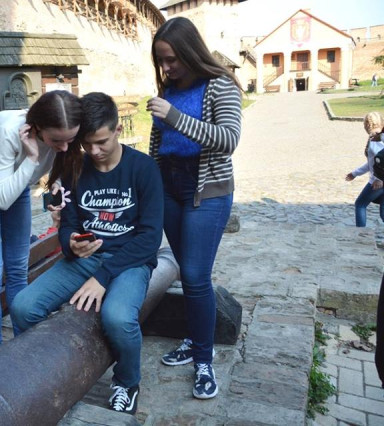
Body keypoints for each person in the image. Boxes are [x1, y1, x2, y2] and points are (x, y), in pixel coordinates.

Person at [11, 92, 163, 415]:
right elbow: (68, 223)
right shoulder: (75, 168)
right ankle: (47, 374)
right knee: (23, 307)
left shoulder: (144, 169)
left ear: (117, 130)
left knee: (118, 317)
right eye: (87, 144)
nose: (93, 151)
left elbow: (150, 239)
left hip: (129, 262)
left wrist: (103, 277)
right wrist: (70, 243)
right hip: (84, 260)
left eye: (101, 142)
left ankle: (127, 382)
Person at [146, 16, 242, 400]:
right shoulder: (168, 88)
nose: (166, 67)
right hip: (169, 188)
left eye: (171, 59)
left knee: (197, 275)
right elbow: (158, 143)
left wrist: (174, 116)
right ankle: (196, 337)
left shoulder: (220, 85)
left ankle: (204, 359)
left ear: (189, 52)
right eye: (160, 60)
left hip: (207, 190)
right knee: (188, 274)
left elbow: (228, 139)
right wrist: (151, 183)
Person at [0, 90, 83, 353]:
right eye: (56, 140)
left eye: (70, 140)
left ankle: (22, 349)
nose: (64, 147)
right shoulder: (10, 130)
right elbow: (2, 198)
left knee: (17, 269)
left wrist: (57, 183)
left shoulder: (62, 138)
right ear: (37, 127)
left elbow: (59, 163)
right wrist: (31, 158)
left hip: (17, 187)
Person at [345, 111, 384, 227]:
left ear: (367, 124)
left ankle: (361, 234)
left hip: (377, 182)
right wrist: (355, 173)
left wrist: (379, 179)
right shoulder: (376, 137)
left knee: (360, 204)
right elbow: (371, 163)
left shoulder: (377, 139)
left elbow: (381, 160)